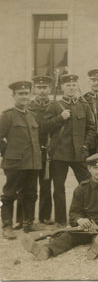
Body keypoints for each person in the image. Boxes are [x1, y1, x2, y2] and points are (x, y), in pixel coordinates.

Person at [20, 153, 98, 260]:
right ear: (89, 169)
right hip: (84, 227)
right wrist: (80, 220)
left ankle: (95, 250)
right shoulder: (81, 188)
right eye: (95, 168)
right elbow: (74, 212)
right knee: (66, 237)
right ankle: (45, 251)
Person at [44, 73, 96, 227]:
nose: (71, 88)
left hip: (79, 153)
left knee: (87, 184)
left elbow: (91, 128)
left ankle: (88, 216)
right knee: (59, 188)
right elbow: (44, 127)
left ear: (77, 87)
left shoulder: (84, 105)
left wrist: (85, 146)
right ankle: (61, 220)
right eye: (68, 85)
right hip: (59, 154)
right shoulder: (54, 106)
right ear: (62, 87)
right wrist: (60, 118)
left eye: (74, 85)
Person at [0, 81, 41, 238]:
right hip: (15, 163)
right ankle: (7, 226)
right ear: (14, 96)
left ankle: (28, 224)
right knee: (9, 194)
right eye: (20, 94)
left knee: (31, 193)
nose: (24, 97)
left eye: (26, 94)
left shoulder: (31, 115)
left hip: (32, 163)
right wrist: (8, 153)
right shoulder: (7, 116)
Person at [27, 75, 54, 225]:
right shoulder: (28, 107)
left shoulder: (54, 106)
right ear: (34, 89)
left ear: (50, 89)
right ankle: (24, 219)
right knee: (28, 186)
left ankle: (44, 216)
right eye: (39, 88)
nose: (42, 91)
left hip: (47, 151)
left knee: (45, 185)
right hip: (31, 151)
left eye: (45, 88)